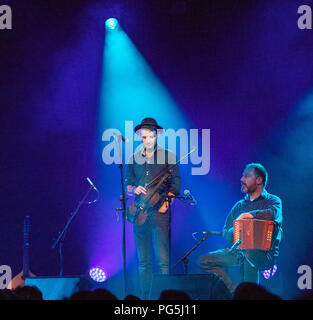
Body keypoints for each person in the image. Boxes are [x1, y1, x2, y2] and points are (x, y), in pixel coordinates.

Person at [199, 163, 282, 294]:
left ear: (259, 180)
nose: (241, 179)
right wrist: (238, 230)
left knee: (249, 254)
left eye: (247, 176)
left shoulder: (273, 200)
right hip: (238, 252)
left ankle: (250, 296)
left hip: (265, 254)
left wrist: (249, 215)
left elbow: (272, 214)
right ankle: (235, 290)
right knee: (205, 261)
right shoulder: (239, 206)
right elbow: (226, 230)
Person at [125, 118, 181, 299]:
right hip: (140, 212)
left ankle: (165, 298)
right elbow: (128, 184)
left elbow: (175, 185)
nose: (146, 140)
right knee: (143, 262)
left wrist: (166, 204)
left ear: (156, 135)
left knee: (163, 261)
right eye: (143, 137)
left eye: (150, 137)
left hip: (159, 213)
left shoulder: (168, 156)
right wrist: (134, 189)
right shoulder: (134, 158)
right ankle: (146, 297)